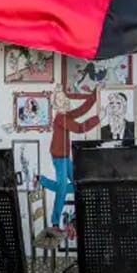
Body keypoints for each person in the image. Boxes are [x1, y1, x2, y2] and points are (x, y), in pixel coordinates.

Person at [38, 86, 98, 236]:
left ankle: (41, 180)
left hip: (65, 156)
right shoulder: (60, 118)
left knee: (77, 184)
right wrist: (98, 118)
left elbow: (81, 110)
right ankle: (55, 222)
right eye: (59, 100)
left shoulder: (67, 115)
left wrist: (96, 92)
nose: (63, 101)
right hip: (58, 157)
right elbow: (78, 128)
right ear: (56, 105)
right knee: (63, 190)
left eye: (64, 98)